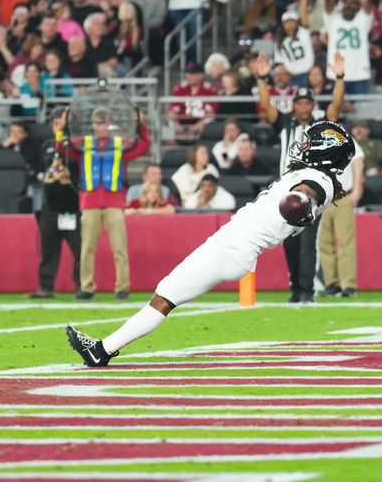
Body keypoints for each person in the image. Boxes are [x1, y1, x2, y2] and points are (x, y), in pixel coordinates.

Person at [66, 121, 355, 365]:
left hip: (233, 249)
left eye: (310, 143)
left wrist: (303, 202)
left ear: (324, 152)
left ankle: (100, 352)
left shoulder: (320, 181)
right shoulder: (315, 175)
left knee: (164, 297)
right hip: (233, 244)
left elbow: (309, 194)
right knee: (165, 295)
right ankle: (101, 350)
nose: (303, 146)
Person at [256, 51, 346, 303]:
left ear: (312, 106)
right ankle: (296, 289)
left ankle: (307, 291)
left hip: (311, 192)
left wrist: (339, 76)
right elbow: (266, 106)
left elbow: (336, 106)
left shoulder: (321, 128)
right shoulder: (286, 124)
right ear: (295, 106)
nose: (304, 107)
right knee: (289, 242)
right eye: (300, 103)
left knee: (307, 242)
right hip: (286, 189)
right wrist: (262, 79)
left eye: (308, 103)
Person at [56, 106, 150, 301]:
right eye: (98, 122)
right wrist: (63, 126)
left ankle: (122, 287)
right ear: (93, 124)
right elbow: (62, 148)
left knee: (119, 247)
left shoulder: (120, 144)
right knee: (87, 247)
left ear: (110, 124)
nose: (102, 126)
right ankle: (87, 287)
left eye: (105, 122)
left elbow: (144, 146)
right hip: (90, 202)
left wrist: (140, 123)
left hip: (114, 201)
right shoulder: (84, 144)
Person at [30, 107, 81, 298]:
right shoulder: (47, 145)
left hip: (72, 208)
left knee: (79, 251)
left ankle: (81, 286)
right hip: (49, 208)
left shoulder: (76, 147)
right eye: (56, 123)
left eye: (62, 123)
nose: (58, 127)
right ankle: (45, 286)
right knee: (48, 252)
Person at [322, 0, 376, 95]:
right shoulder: (332, 19)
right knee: (337, 114)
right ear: (340, 6)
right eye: (345, 2)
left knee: (360, 114)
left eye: (353, 3)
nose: (349, 5)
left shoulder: (363, 20)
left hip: (360, 76)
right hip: (336, 73)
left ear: (358, 6)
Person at [320, 135, 364, 298]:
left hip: (343, 196)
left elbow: (358, 161)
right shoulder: (315, 137)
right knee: (324, 244)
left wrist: (358, 189)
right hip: (322, 199)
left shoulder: (344, 136)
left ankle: (348, 285)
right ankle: (331, 284)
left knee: (345, 243)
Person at [273, 0, 314, 88]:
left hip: (308, 75)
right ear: (283, 24)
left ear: (297, 23)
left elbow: (303, 8)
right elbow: (280, 62)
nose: (290, 25)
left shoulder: (303, 32)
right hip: (291, 77)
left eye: (292, 22)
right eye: (287, 22)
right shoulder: (279, 40)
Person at [169, 61, 218, 142]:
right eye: (187, 73)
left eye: (192, 74)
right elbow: (172, 111)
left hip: (201, 123)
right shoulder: (179, 88)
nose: (189, 76)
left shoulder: (210, 90)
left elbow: (211, 114)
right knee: (169, 126)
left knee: (209, 123)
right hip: (181, 123)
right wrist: (177, 125)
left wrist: (196, 127)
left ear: (201, 75)